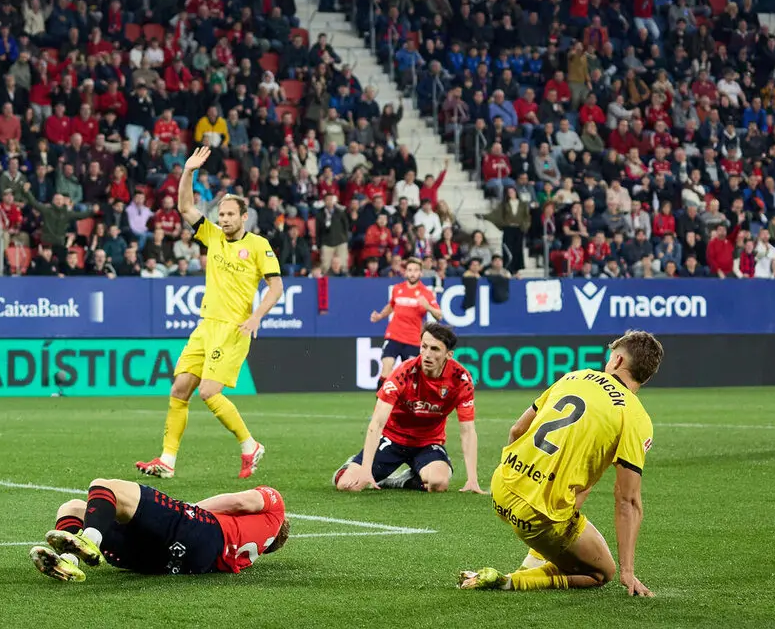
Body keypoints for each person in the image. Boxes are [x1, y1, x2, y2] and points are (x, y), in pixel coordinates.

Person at [459, 330, 663, 597]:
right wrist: (628, 571)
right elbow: (627, 500)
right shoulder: (635, 416)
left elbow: (517, 431)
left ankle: (534, 558)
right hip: (536, 516)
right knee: (602, 572)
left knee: (582, 485)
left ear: (617, 361)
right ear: (645, 375)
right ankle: (511, 580)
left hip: (502, 487)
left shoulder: (575, 376)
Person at [135, 146, 284, 480]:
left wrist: (257, 315)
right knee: (180, 389)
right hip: (205, 327)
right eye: (221, 213)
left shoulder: (259, 246)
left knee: (208, 392)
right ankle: (167, 461)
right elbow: (185, 206)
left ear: (244, 217)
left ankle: (250, 445)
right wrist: (188, 171)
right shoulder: (213, 237)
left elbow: (276, 287)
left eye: (231, 214)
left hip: (233, 329)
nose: (224, 218)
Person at [30, 479, 288, 582]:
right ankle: (68, 562)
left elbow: (239, 502)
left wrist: (187, 509)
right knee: (75, 507)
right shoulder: (249, 555)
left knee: (104, 487)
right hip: (172, 563)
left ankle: (87, 541)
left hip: (199, 532)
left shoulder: (275, 511)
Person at [333, 324, 485, 494]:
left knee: (439, 483)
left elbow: (468, 431)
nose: (427, 354)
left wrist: (472, 479)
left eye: (435, 349)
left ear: (449, 354)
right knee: (348, 485)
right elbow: (377, 423)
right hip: (392, 439)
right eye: (424, 347)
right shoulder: (404, 372)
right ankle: (351, 466)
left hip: (428, 443)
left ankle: (401, 481)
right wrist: (366, 469)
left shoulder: (460, 379)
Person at [369, 257, 442, 378]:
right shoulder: (397, 288)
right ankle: (380, 398)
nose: (412, 273)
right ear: (405, 272)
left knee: (411, 376)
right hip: (394, 335)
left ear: (420, 273)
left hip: (413, 339)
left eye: (415, 270)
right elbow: (391, 305)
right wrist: (380, 316)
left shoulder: (426, 293)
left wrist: (428, 306)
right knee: (386, 368)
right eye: (410, 270)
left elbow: (439, 315)